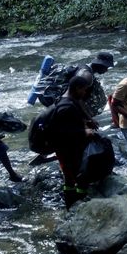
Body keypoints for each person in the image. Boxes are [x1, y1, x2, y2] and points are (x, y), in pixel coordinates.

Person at [51, 76, 99, 209]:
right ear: (77, 88)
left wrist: (87, 122)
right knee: (76, 177)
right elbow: (62, 131)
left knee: (71, 177)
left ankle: (74, 204)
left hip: (70, 148)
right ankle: (75, 205)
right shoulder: (66, 106)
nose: (85, 93)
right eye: (84, 90)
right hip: (66, 149)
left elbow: (71, 122)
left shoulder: (70, 101)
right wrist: (85, 132)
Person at [75, 51, 114, 118]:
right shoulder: (86, 76)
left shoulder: (85, 68)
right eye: (106, 67)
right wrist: (88, 118)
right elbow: (78, 98)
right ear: (100, 64)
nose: (106, 70)